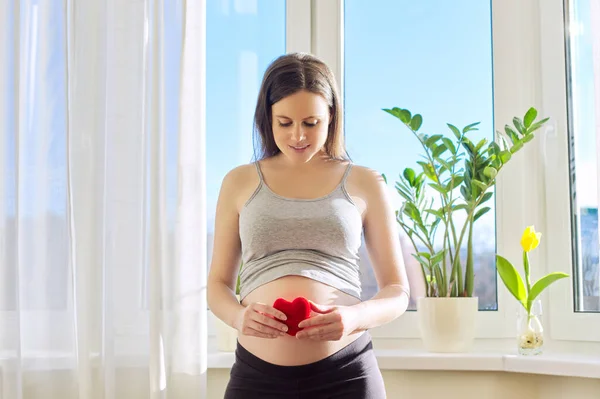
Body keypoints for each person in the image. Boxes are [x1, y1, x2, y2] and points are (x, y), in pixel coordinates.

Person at [207, 52, 410, 399]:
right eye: (284, 122)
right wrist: (240, 318)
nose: (298, 136)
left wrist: (354, 318)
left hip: (346, 374)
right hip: (257, 377)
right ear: (266, 118)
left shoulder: (365, 182)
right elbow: (217, 285)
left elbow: (397, 291)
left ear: (331, 116)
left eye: (311, 123)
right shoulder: (238, 181)